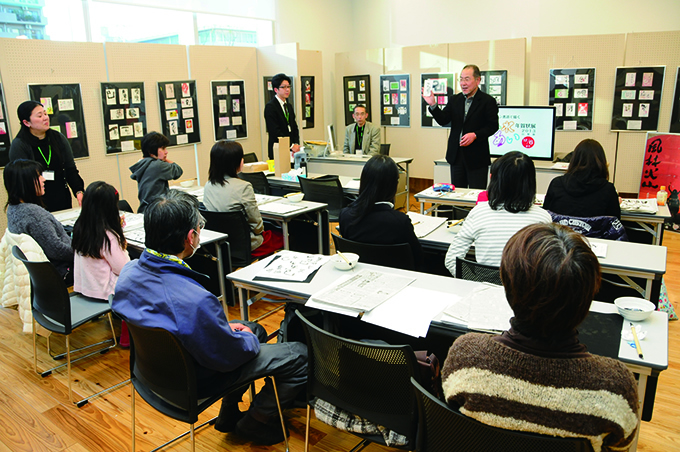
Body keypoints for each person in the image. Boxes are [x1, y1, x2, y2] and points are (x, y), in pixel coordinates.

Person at [111, 190, 307, 445]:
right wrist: (243, 339)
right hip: (194, 381)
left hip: (153, 374)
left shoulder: (129, 271)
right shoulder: (194, 300)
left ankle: (228, 414)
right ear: (190, 237)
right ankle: (255, 421)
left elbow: (170, 316)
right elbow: (228, 356)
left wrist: (226, 329)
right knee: (298, 354)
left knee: (254, 328)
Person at [442, 223, 639, 452]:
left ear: (507, 287)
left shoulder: (466, 356)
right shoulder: (615, 387)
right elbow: (620, 446)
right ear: (587, 297)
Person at [444, 151, 551, 276]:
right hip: (526, 293)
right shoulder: (543, 218)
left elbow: (451, 259)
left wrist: (475, 282)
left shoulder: (479, 212)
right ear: (531, 182)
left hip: (485, 292)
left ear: (493, 179)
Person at [339, 154, 423, 269]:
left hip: (359, 274)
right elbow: (418, 258)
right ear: (394, 185)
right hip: (398, 280)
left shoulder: (345, 215)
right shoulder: (400, 221)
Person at [422, 64, 499, 189]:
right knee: (457, 194)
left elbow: (493, 126)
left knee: (476, 194)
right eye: (461, 79)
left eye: (467, 79)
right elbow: (443, 120)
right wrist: (433, 104)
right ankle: (457, 210)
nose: (463, 83)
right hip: (456, 156)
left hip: (477, 158)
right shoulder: (455, 100)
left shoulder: (487, 101)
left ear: (478, 80)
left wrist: (475, 135)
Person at [203, 140, 283, 257]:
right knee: (284, 236)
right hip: (246, 244)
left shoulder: (208, 185)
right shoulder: (244, 187)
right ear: (234, 162)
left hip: (222, 244)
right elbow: (257, 227)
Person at [4, 159, 73, 282]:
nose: (43, 179)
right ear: (25, 182)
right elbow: (57, 250)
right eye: (38, 176)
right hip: (62, 272)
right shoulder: (34, 214)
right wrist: (85, 251)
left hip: (40, 276)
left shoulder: (13, 208)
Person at [9, 100, 85, 212]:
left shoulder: (58, 138)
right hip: (36, 202)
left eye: (45, 114)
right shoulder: (19, 145)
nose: (45, 118)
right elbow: (21, 181)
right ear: (26, 123)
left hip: (61, 196)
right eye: (39, 116)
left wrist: (79, 191)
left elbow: (70, 169)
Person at [544, 139, 621, 219]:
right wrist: (614, 202)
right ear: (601, 162)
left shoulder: (556, 184)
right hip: (593, 231)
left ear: (573, 160)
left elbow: (545, 216)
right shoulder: (608, 190)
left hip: (561, 231)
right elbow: (615, 223)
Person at [129, 131, 183, 213]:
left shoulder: (143, 163)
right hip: (157, 211)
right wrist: (165, 159)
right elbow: (178, 171)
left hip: (145, 210)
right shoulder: (157, 165)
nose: (166, 152)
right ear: (151, 151)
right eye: (163, 148)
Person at [264, 73, 300, 160]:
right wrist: (291, 145)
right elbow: (274, 131)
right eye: (283, 87)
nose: (287, 90)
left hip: (291, 151)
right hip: (278, 149)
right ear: (276, 89)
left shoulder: (288, 106)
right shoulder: (271, 107)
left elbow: (294, 127)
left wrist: (296, 144)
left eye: (288, 87)